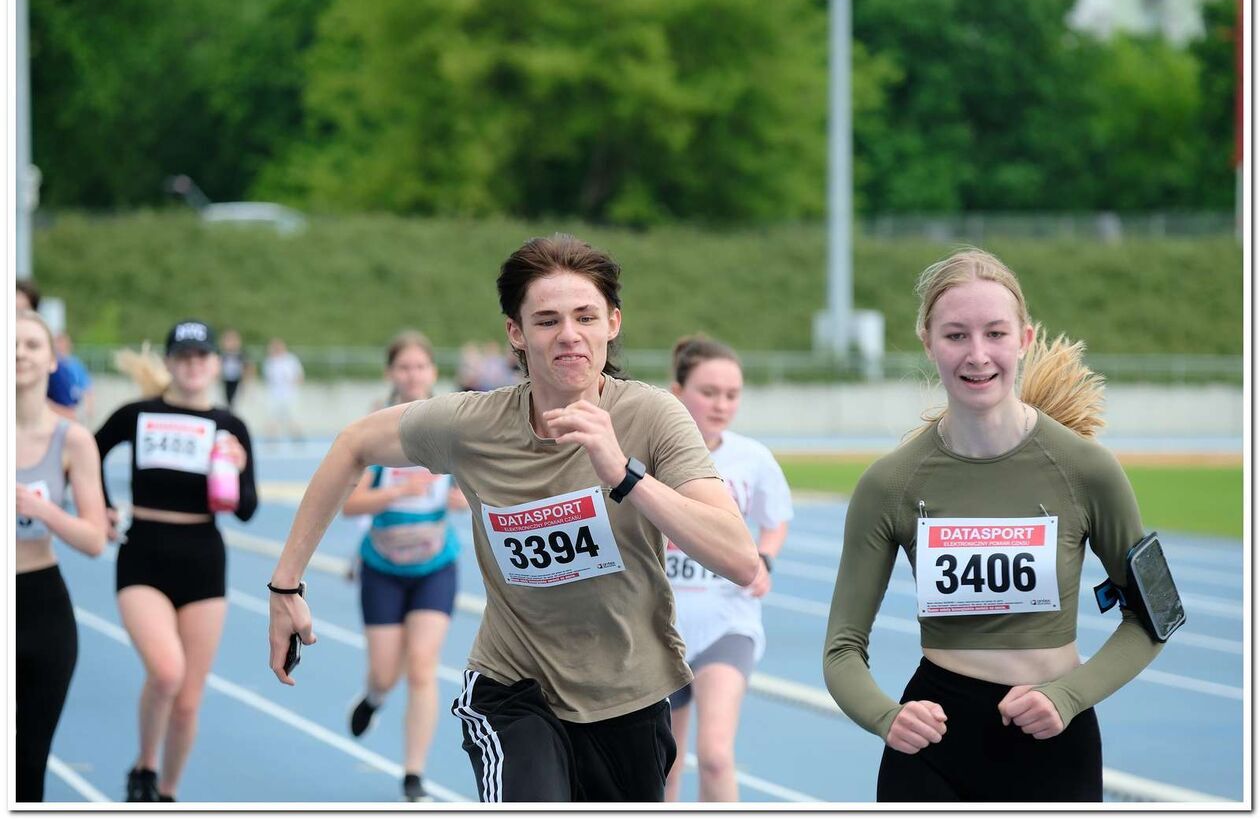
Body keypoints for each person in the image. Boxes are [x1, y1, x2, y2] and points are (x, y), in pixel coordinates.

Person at [267, 233, 760, 803]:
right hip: (514, 689)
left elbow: (739, 558)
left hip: (630, 693)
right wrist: (286, 585)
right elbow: (353, 444)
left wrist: (624, 474)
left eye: (585, 317)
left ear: (613, 324)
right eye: (547, 320)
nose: (569, 335)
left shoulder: (653, 417)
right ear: (516, 333)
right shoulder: (473, 424)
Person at [822, 248, 1168, 802]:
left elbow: (1154, 617)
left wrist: (1069, 697)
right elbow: (842, 648)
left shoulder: (1087, 469)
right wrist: (888, 718)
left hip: (1054, 737)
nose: (977, 355)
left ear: (1024, 339)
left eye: (996, 334)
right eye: (956, 335)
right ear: (928, 342)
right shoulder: (889, 484)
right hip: (933, 743)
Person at [95, 319, 258, 802]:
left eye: (202, 356)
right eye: (183, 357)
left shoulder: (230, 425)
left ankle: (166, 793)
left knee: (188, 701)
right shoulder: (138, 414)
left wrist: (240, 468)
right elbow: (90, 449)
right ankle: (144, 765)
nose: (193, 365)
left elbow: (247, 510)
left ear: (215, 363)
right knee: (166, 671)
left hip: (204, 559)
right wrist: (99, 505)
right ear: (169, 363)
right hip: (143, 554)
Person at [662, 335, 792, 802]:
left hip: (727, 625)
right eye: (709, 392)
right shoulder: (651, 456)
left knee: (715, 755)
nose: (721, 405)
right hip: (661, 630)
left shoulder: (752, 459)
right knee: (665, 763)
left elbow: (776, 521)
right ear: (677, 393)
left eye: (732, 395)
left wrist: (765, 559)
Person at [341, 331, 467, 802]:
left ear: (433, 373)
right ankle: (373, 698)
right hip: (383, 567)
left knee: (422, 668)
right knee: (384, 672)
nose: (413, 375)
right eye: (404, 367)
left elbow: (474, 488)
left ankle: (413, 775)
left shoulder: (452, 426)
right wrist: (396, 492)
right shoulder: (374, 430)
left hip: (436, 565)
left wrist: (463, 500)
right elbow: (347, 505)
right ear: (392, 374)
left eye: (421, 367)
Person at [15, 310, 109, 802]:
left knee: (26, 766)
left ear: (52, 360)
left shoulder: (72, 440)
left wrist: (41, 509)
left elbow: (95, 539)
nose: (19, 353)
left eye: (32, 345)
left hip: (42, 609)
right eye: (10, 343)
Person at [16, 278, 82, 421]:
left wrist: (31, 401)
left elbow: (70, 416)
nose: (17, 317)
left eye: (22, 310)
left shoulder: (48, 363)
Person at [263, 337, 304, 440]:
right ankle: (271, 440)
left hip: (289, 395)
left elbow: (299, 376)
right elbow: (269, 379)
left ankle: (297, 439)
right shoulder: (269, 362)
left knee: (293, 418)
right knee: (272, 419)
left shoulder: (291, 360)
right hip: (274, 395)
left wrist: (292, 385)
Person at [52, 331, 95, 424]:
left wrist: (89, 407)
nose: (60, 346)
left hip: (73, 408)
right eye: (58, 343)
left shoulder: (75, 364)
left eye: (63, 343)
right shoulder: (51, 364)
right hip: (56, 408)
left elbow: (87, 386)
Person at [219, 328, 251, 409]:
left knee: (235, 398)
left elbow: (247, 366)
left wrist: (246, 377)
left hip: (236, 379)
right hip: (226, 378)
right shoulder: (223, 354)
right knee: (226, 397)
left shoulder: (240, 354)